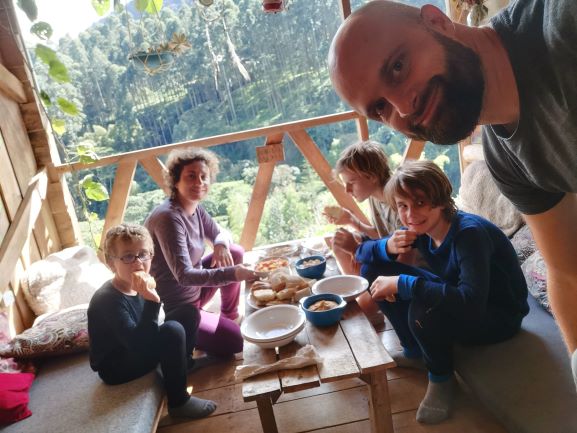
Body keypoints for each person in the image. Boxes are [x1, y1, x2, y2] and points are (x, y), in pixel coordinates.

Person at [328, 0, 577, 388]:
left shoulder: (561, 25)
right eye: (379, 108)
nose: (402, 108)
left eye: (398, 66)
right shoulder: (506, 161)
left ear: (437, 21)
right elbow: (568, 272)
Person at [355, 160, 528, 423]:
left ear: (440, 201)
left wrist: (405, 284)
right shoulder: (420, 229)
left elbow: (471, 302)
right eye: (402, 205)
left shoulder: (469, 235)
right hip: (464, 296)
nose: (410, 214)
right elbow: (361, 253)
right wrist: (386, 246)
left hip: (498, 314)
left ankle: (442, 378)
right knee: (373, 269)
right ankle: (415, 352)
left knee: (423, 306)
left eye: (420, 202)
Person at [88, 223, 216, 419]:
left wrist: (150, 300)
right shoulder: (107, 300)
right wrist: (152, 301)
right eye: (128, 256)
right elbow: (139, 345)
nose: (138, 263)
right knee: (172, 330)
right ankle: (179, 402)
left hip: (138, 342)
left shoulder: (137, 285)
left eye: (143, 254)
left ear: (151, 256)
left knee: (188, 312)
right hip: (117, 365)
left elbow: (147, 329)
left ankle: (185, 363)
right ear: (111, 263)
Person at [145, 147, 256, 358]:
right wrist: (233, 273)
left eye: (204, 176)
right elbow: (184, 276)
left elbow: (221, 233)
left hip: (196, 292)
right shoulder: (168, 218)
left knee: (233, 251)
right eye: (191, 176)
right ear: (175, 180)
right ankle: (199, 328)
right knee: (235, 340)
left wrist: (220, 244)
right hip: (179, 308)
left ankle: (228, 315)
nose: (199, 182)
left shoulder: (195, 208)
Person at [324, 140, 403, 324]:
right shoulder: (375, 196)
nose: (347, 190)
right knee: (339, 242)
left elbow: (403, 256)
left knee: (355, 317)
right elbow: (381, 234)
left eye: (351, 182)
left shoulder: (399, 202)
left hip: (405, 266)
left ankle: (366, 307)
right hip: (389, 254)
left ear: (372, 176)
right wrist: (351, 221)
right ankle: (356, 293)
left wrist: (357, 249)